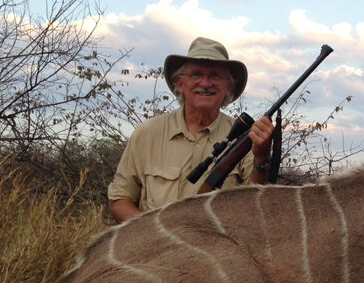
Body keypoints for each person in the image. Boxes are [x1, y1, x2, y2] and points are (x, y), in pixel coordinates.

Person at [108, 37, 275, 223]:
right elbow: (120, 200)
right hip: (154, 249)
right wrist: (156, 237)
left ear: (228, 88)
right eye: (196, 74)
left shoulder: (247, 140)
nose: (205, 83)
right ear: (180, 84)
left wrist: (262, 159)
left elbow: (254, 209)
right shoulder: (147, 133)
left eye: (215, 76)